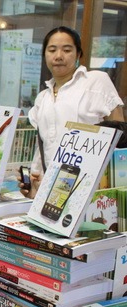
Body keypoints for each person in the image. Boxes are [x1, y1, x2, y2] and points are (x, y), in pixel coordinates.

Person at [21, 26, 124, 198]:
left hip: (92, 190)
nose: (58, 56)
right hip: (54, 191)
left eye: (67, 50)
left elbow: (121, 137)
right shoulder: (42, 98)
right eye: (52, 50)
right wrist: (34, 181)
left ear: (78, 54)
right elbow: (43, 147)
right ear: (45, 55)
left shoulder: (96, 82)